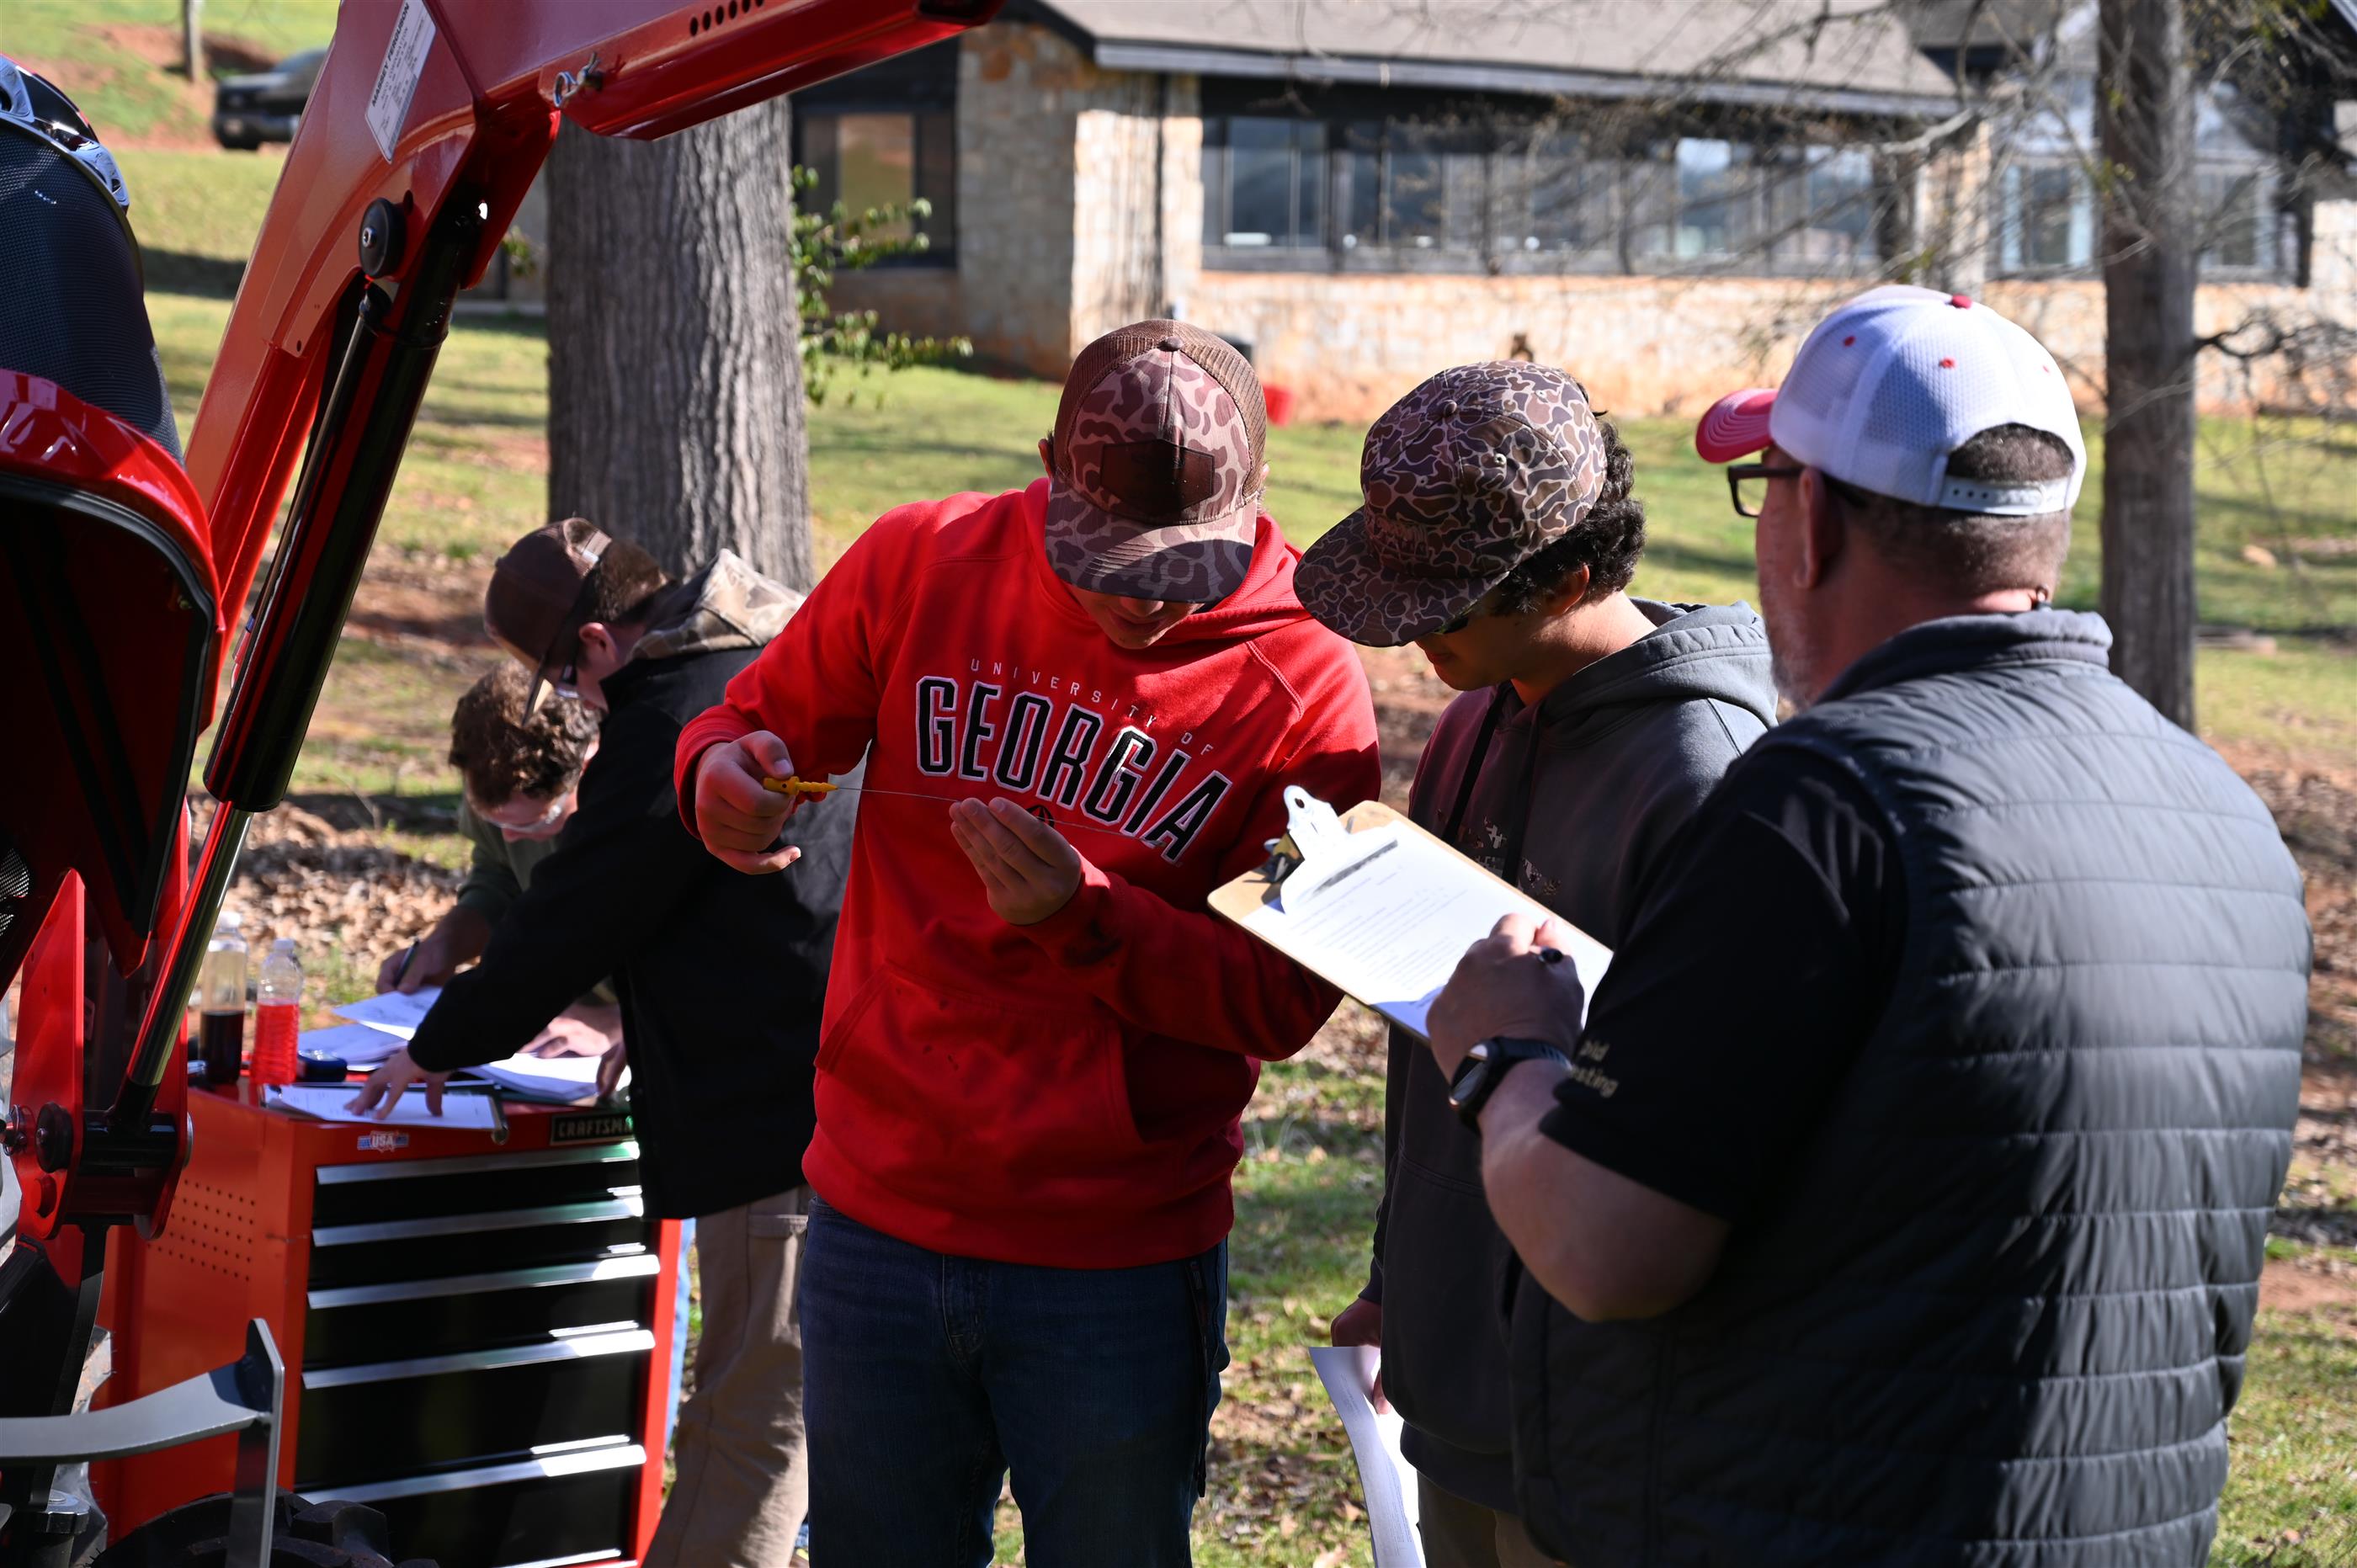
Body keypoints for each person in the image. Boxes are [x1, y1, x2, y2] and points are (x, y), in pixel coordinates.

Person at [1418, 285, 2312, 1567]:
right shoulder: (2221, 816)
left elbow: (1605, 1250)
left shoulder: (1826, 805)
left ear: (1816, 520)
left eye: (1766, 484)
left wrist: (1509, 1054)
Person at [676, 320, 1381, 1567]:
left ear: (1256, 499)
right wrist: (719, 782)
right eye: (1106, 559)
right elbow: (751, 728)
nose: (1139, 599)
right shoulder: (924, 561)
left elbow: (1282, 1000)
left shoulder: (1305, 688)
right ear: (1050, 467)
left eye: (1183, 567)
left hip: (1114, 1257)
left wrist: (1086, 921)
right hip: (877, 1213)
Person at [1291, 362, 1774, 1568]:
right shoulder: (1475, 717)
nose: (1414, 638)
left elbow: (1706, 1132)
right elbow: (1437, 1044)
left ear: (1565, 578)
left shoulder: (1703, 778)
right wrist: (1400, 1276)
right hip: (1454, 1372)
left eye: (1443, 608)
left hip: (1604, 1422)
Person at [354, 523, 852, 1568]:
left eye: (566, 682)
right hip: (822, 1077)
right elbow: (701, 896)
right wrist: (652, 1017)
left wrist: (436, 1045)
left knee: (750, 1415)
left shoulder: (674, 710)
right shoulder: (772, 661)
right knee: (766, 1401)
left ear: (592, 641)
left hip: (779, 1111)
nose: (577, 704)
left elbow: (583, 906)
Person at [374, 664, 623, 1057]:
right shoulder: (495, 786)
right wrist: (447, 943)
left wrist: (621, 1022)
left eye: (534, 822)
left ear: (587, 767)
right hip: (561, 1025)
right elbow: (501, 876)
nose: (510, 837)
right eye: (493, 820)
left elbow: (715, 946)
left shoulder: (655, 811)